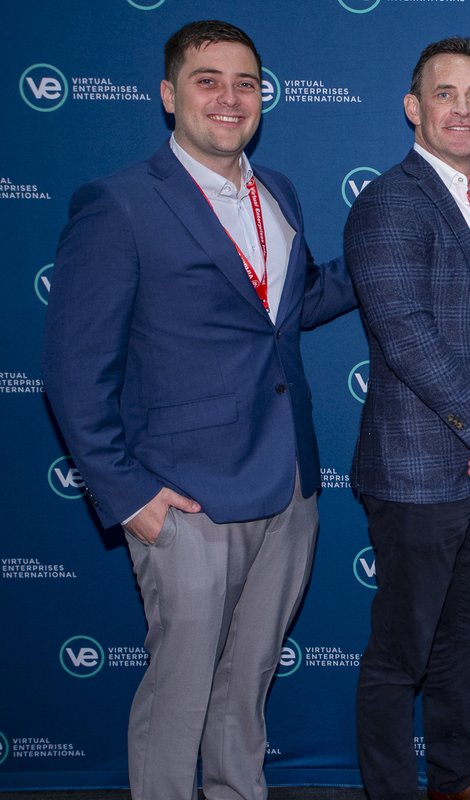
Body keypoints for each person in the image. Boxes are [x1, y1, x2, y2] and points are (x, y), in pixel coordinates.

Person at [40, 19, 356, 800]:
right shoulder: (117, 204)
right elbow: (74, 372)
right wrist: (129, 496)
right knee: (178, 698)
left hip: (288, 482)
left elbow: (295, 299)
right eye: (207, 80)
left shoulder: (274, 192)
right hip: (184, 497)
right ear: (167, 95)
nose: (229, 97)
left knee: (245, 692)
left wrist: (391, 257)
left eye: (245, 82)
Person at [344, 36, 470, 800]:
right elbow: (406, 337)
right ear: (413, 107)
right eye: (445, 93)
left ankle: (457, 777)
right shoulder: (390, 202)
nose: (462, 109)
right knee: (401, 653)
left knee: (464, 639)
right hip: (420, 472)